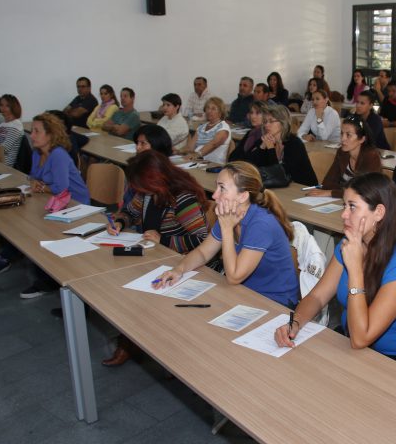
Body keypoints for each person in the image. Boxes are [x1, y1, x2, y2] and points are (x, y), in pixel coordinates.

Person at [274, 172, 396, 372]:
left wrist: (356, 269)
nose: (343, 214)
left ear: (379, 213)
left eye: (352, 206)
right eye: (344, 205)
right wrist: (295, 323)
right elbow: (317, 296)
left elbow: (361, 338)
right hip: (350, 343)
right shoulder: (350, 244)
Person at [102, 149, 211, 366]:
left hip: (183, 262)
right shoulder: (147, 194)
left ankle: (150, 347)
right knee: (125, 287)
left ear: (156, 179)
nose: (138, 191)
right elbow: (129, 213)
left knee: (145, 292)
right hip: (154, 257)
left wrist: (163, 239)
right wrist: (120, 222)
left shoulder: (183, 199)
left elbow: (202, 240)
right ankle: (133, 339)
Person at [154, 161, 299, 307]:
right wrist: (179, 269)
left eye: (222, 188)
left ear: (242, 196)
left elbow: (234, 277)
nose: (215, 195)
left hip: (275, 302)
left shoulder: (261, 224)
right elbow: (203, 253)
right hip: (244, 292)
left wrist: (226, 228)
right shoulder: (230, 215)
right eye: (217, 186)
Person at [0, 113, 90, 298]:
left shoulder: (58, 155)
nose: (32, 135)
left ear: (51, 135)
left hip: (75, 204)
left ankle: (43, 279)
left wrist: (42, 186)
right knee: (19, 220)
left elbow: (61, 188)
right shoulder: (38, 152)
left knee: (36, 227)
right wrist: (35, 183)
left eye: (37, 131)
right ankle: (7, 257)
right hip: (52, 200)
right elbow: (31, 175)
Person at [307, 115, 382, 198]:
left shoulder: (371, 157)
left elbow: (362, 191)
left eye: (348, 135)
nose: (343, 139)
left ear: (362, 139)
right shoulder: (342, 152)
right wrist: (335, 191)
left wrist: (332, 193)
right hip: (342, 201)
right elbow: (328, 183)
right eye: (342, 133)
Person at [248, 104, 317, 187]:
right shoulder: (265, 140)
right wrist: (262, 147)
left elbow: (280, 175)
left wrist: (271, 149)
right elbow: (250, 166)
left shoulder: (294, 144)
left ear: (282, 122)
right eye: (265, 122)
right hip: (283, 188)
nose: (266, 125)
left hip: (303, 188)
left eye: (271, 121)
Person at [185, 97, 231, 163]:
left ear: (220, 112)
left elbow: (214, 144)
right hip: (198, 161)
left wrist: (197, 154)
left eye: (213, 109)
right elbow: (190, 148)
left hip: (213, 165)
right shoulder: (201, 127)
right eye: (207, 108)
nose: (209, 111)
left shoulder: (223, 127)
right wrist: (178, 151)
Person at [0, 94, 24, 167]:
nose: (3, 108)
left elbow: (2, 150)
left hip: (4, 164)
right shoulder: (2, 124)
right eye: (1, 105)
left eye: (7, 106)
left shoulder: (16, 126)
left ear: (14, 107)